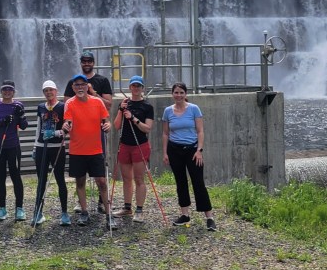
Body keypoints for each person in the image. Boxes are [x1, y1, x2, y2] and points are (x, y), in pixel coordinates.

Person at [62, 74, 117, 230]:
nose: (80, 87)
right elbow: (68, 121)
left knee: (102, 182)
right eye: (77, 85)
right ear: (73, 88)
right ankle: (84, 211)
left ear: (88, 87)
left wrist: (107, 125)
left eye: (83, 84)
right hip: (77, 150)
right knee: (80, 182)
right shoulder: (70, 103)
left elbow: (106, 121)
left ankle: (109, 215)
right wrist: (66, 126)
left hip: (95, 150)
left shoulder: (97, 102)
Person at [161, 82, 216, 231]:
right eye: (176, 92)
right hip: (174, 150)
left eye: (181, 92)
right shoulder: (168, 111)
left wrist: (199, 150)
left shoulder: (194, 108)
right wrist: (165, 153)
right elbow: (165, 133)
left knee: (198, 182)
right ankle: (185, 214)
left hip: (192, 150)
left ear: (185, 94)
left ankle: (209, 217)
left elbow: (200, 131)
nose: (178, 95)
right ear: (172, 94)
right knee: (181, 182)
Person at [111, 75, 154, 223]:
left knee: (139, 178)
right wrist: (120, 110)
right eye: (133, 86)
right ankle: (127, 207)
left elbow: (147, 128)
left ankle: (139, 210)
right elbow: (117, 126)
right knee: (126, 178)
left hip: (140, 145)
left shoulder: (147, 106)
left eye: (138, 86)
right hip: (125, 145)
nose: (136, 88)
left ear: (142, 88)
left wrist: (133, 118)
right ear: (130, 87)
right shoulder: (124, 104)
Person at [0, 80, 29, 221]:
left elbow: (24, 126)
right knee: (0, 177)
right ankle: (2, 208)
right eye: (5, 89)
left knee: (16, 176)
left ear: (14, 91)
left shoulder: (18, 105)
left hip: (13, 147)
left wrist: (21, 115)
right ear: (1, 91)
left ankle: (19, 208)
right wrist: (2, 121)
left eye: (10, 89)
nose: (7, 92)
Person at [32, 80, 70, 226]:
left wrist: (55, 133)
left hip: (57, 147)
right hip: (42, 147)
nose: (49, 92)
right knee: (41, 180)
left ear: (56, 91)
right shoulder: (41, 107)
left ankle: (64, 213)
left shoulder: (63, 106)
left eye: (51, 90)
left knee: (60, 179)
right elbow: (38, 128)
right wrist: (35, 147)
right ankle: (38, 212)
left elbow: (67, 128)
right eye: (46, 90)